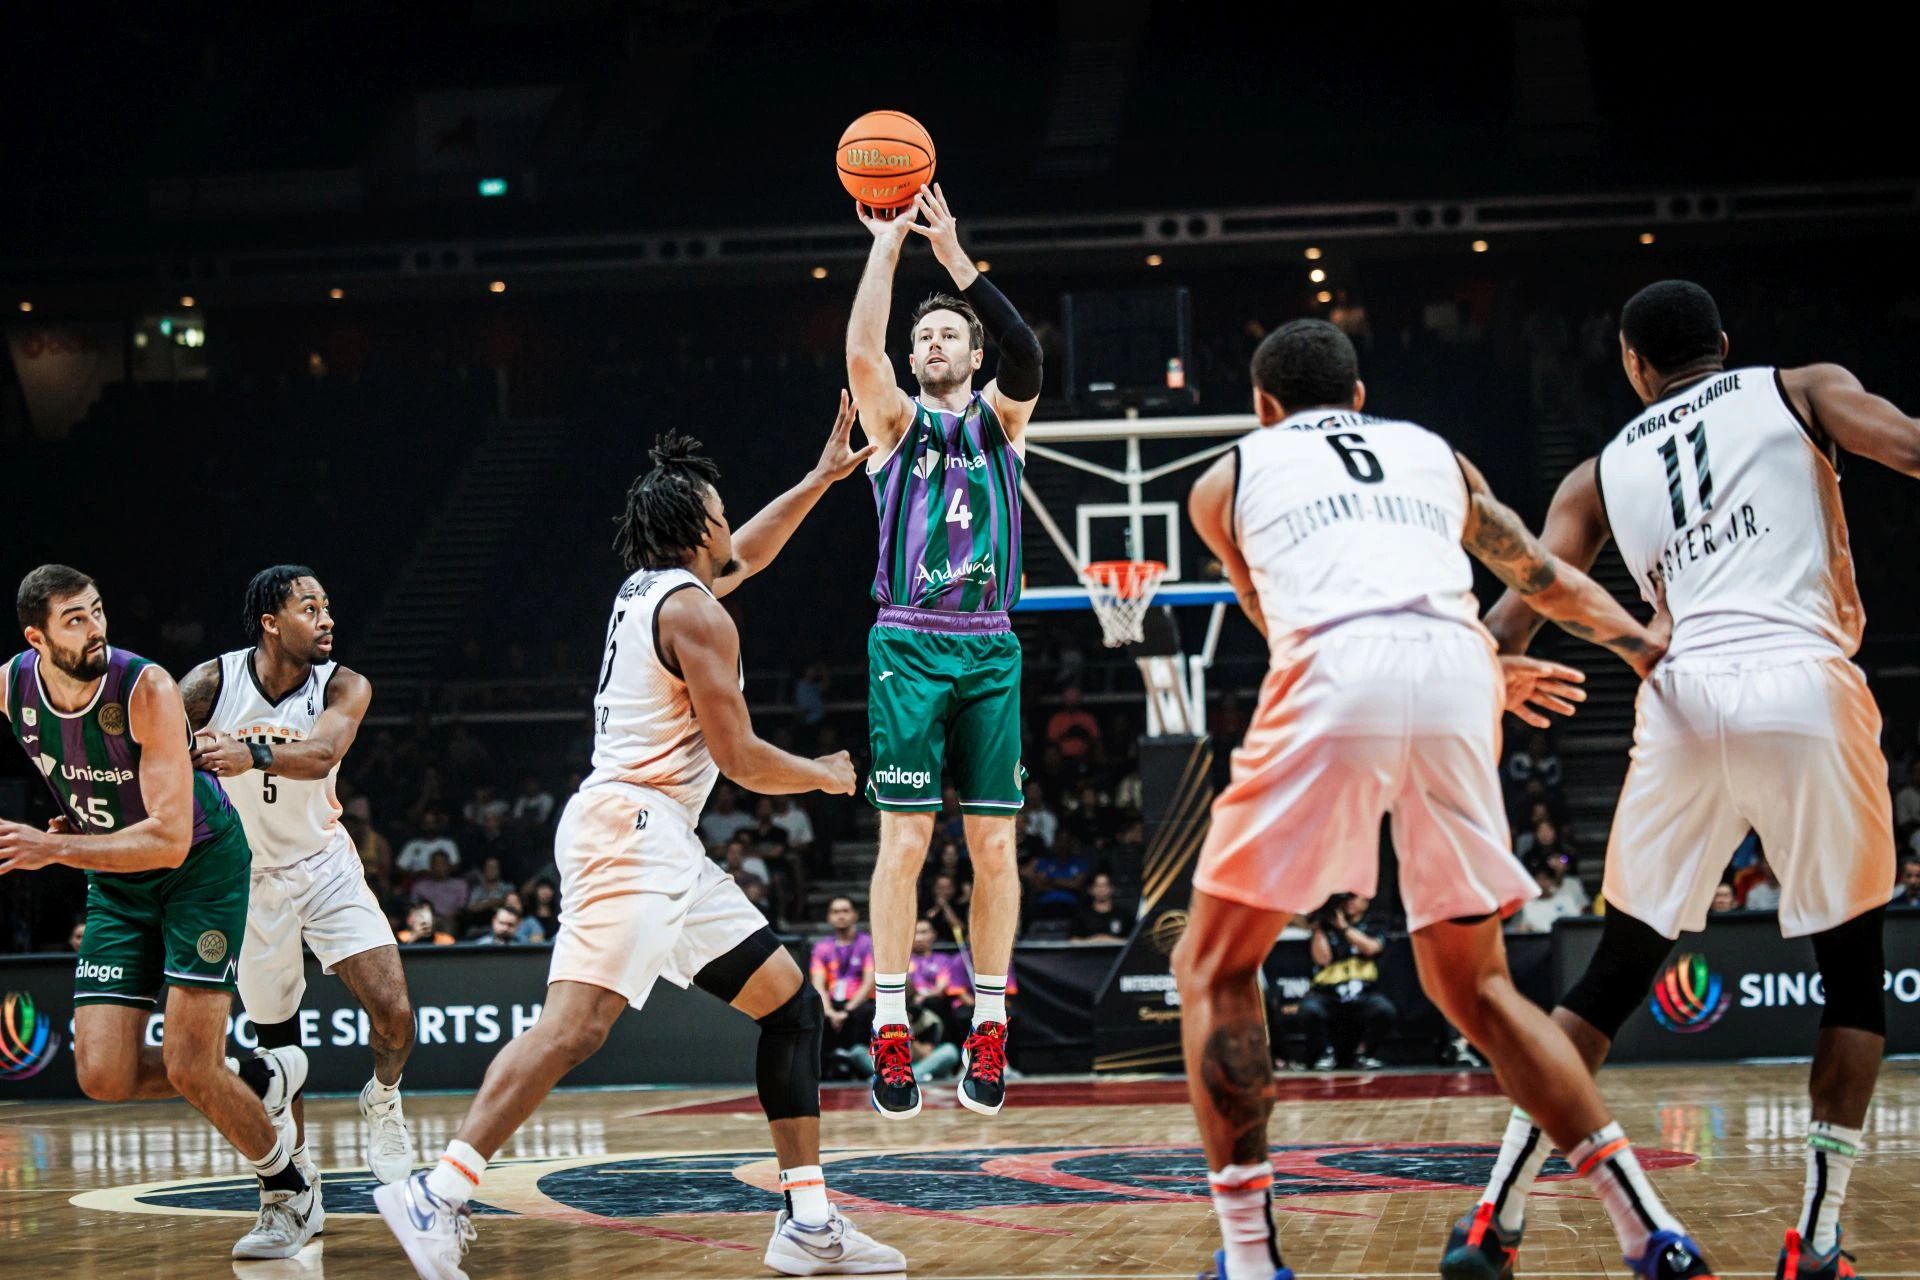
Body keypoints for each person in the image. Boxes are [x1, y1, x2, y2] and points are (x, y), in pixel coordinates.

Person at [1173, 321, 1714, 1280]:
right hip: (1460, 670)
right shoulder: (1435, 455)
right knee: (1479, 987)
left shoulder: (1225, 481)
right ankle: (1649, 1231)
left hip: (1338, 668)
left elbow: (1284, 623)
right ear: (1360, 397)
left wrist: (1385, 678)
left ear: (1261, 407)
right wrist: (1641, 646)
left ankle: (1251, 1260)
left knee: (1214, 967)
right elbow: (1540, 577)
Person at [378, 402, 900, 1277]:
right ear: (698, 524)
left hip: (659, 836)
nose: (731, 520)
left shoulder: (652, 590)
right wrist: (825, 772)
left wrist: (819, 478)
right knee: (574, 1028)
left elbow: (750, 553)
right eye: (722, 510)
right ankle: (438, 1192)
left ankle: (807, 1223)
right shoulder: (699, 618)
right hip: (634, 830)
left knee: (791, 1005)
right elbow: (739, 760)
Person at [1459, 280, 1904, 1279]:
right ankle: (1818, 1239)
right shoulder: (1801, 388)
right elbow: (1910, 444)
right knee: (1853, 971)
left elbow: (1513, 612)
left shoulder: (1595, 473)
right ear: (1725, 344)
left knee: (1614, 973)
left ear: (1632, 364)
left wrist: (1484, 673)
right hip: (1804, 685)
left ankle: (1496, 1210)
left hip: (1680, 688)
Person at [0, 566, 314, 1260]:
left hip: (198, 868)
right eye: (75, 620)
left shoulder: (145, 688)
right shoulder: (11, 685)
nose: (96, 629)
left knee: (190, 1066)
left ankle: (290, 1193)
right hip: (117, 877)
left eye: (98, 611)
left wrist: (57, 845)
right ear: (36, 637)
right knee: (103, 1077)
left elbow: (169, 837)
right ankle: (263, 1075)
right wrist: (81, 825)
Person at [847, 182, 1042, 1120]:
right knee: (907, 840)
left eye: (947, 336)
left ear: (971, 356)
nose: (930, 344)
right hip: (910, 645)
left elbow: (1031, 351)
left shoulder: (1001, 423)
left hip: (990, 648)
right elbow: (859, 353)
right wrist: (887, 246)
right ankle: (889, 1029)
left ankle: (990, 1030)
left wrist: (954, 254)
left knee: (995, 849)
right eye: (922, 337)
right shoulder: (893, 429)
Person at [183, 565, 419, 1200]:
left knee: (396, 1014)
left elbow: (320, 757)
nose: (327, 619)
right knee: (278, 1051)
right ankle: (298, 1182)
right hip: (249, 878)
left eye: (327, 607)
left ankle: (385, 1101)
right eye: (309, 608)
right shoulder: (211, 683)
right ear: (270, 622)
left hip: (325, 865)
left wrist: (249, 753)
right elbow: (149, 759)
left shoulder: (345, 685)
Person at [1297, 895, 1397, 1071]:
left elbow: (1371, 948)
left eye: (1354, 898)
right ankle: (1324, 1055)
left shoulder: (1374, 924)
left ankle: (1365, 1054)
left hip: (1364, 991)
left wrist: (1344, 928)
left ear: (1366, 902)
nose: (1349, 902)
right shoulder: (1326, 926)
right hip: (1328, 993)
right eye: (1346, 898)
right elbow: (1322, 960)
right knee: (1310, 1009)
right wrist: (1318, 927)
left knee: (1383, 1009)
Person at [809, 896, 876, 1076]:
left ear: (855, 915)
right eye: (836, 912)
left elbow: (869, 982)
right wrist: (830, 1011)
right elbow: (818, 984)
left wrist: (847, 1010)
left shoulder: (868, 943)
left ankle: (862, 1065)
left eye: (845, 911)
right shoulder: (821, 948)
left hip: (859, 1003)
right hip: (832, 1003)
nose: (841, 916)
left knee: (867, 1011)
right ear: (829, 918)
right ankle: (824, 1069)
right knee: (813, 1012)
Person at [1070, 871, 1129, 942]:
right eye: (1097, 885)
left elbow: (1132, 941)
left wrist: (1108, 940)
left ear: (1112, 888)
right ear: (1091, 890)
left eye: (1104, 885)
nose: (1101, 889)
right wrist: (1095, 940)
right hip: (1089, 953)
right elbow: (1073, 941)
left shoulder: (1124, 915)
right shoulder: (1081, 915)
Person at [397, 809, 460, 874]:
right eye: (426, 824)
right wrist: (416, 874)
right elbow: (400, 867)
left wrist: (436, 873)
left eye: (432, 823)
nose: (430, 827)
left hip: (442, 881)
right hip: (418, 880)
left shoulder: (448, 843)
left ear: (438, 825)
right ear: (421, 825)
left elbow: (455, 866)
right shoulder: (412, 844)